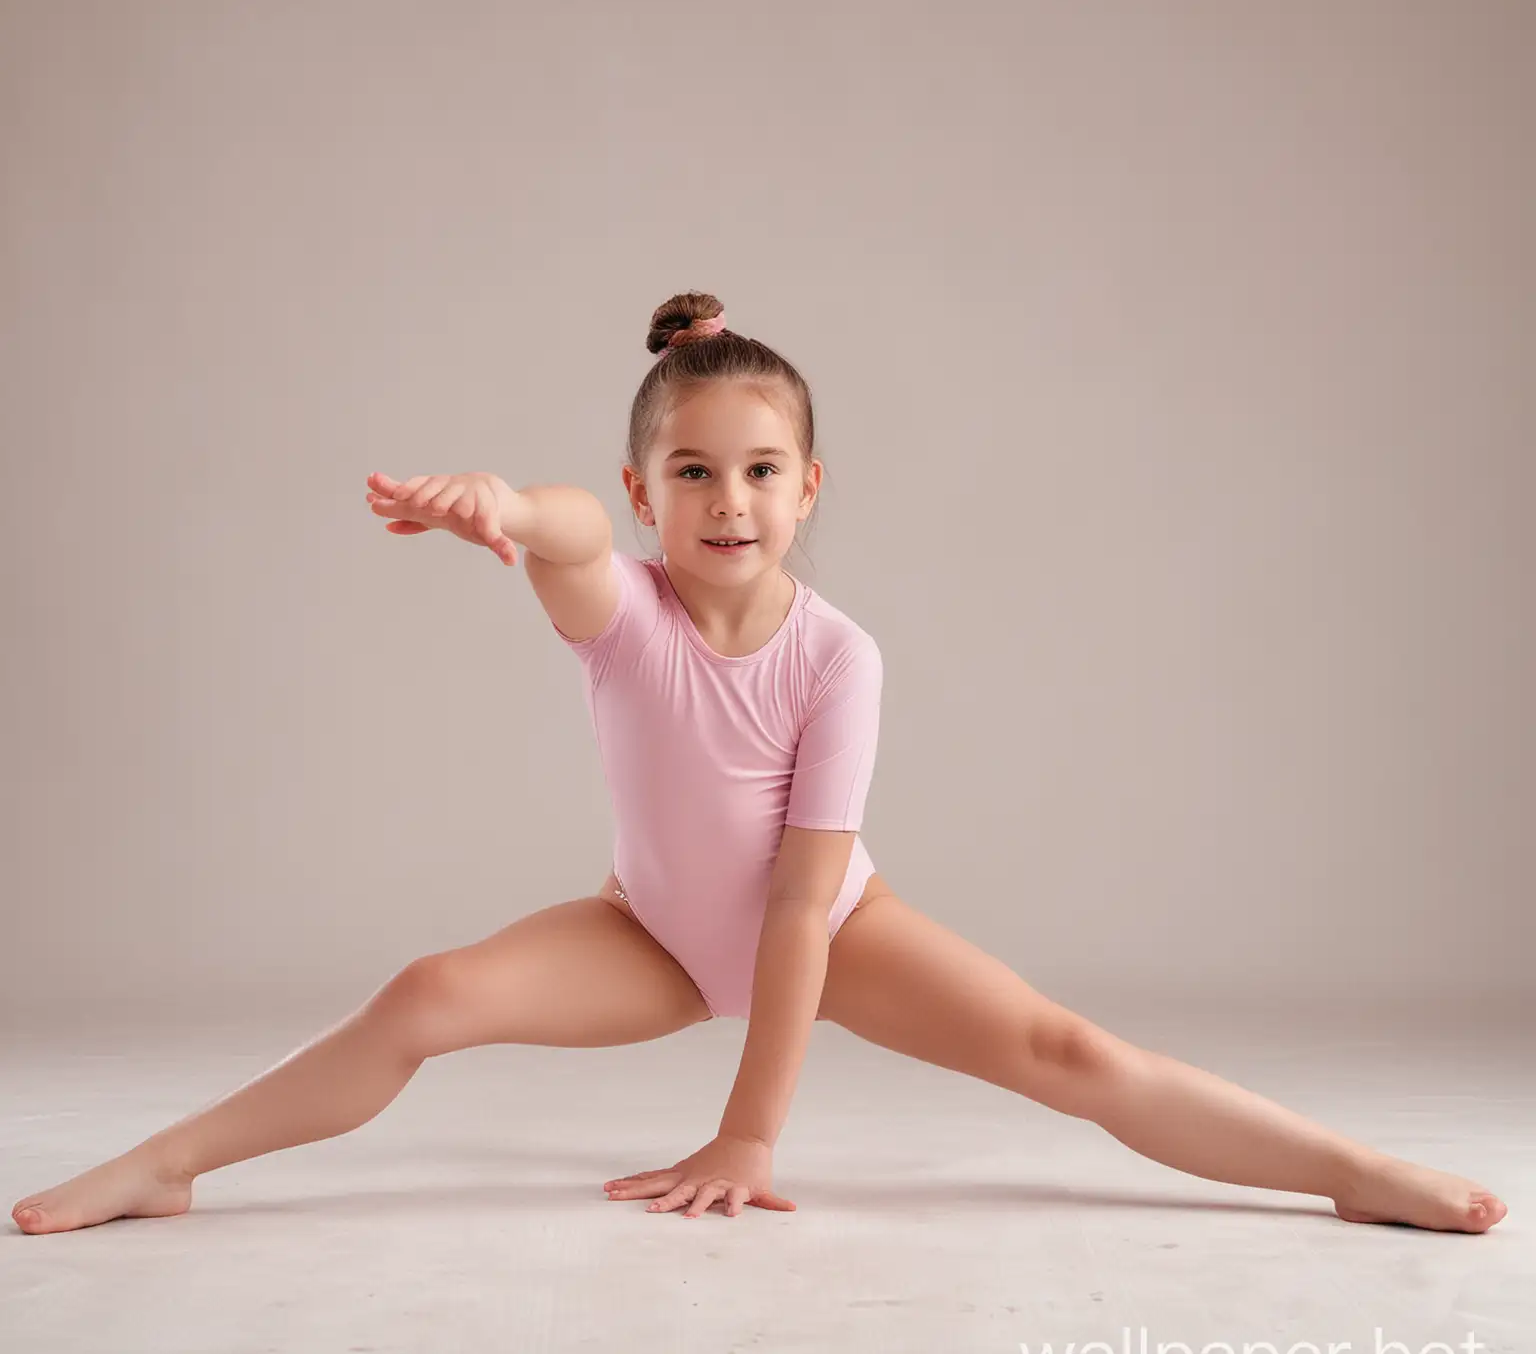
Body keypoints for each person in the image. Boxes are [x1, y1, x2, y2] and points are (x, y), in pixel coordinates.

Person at [11, 291, 1507, 1235]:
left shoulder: (838, 655)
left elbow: (797, 913)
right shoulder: (621, 611)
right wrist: (507, 517)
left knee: (1074, 1057)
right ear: (644, 489)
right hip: (647, 940)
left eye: (762, 470)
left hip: (835, 931)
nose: (729, 499)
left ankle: (1349, 1171)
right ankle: (173, 1159)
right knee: (427, 995)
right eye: (692, 471)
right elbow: (570, 538)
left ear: (810, 486)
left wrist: (749, 1127)